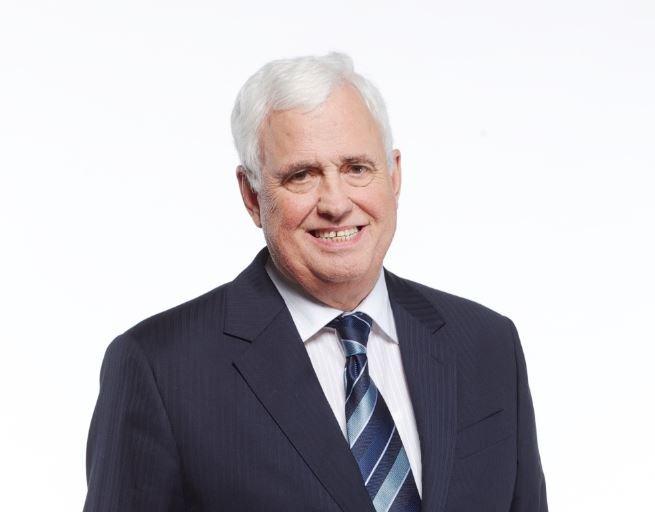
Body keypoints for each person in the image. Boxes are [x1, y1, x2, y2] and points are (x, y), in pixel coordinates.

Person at [84, 52, 548, 512]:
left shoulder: (487, 344)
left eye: (357, 168)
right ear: (251, 196)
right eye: (301, 176)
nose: (336, 204)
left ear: (394, 176)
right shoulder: (161, 369)